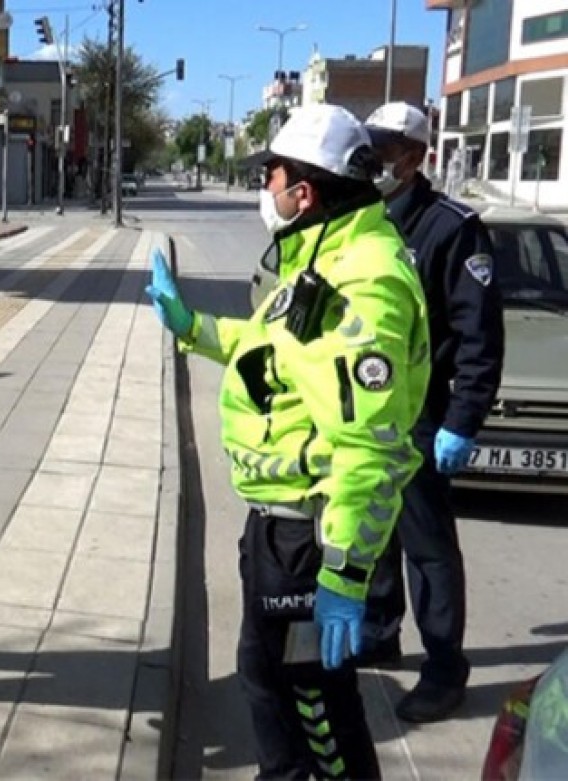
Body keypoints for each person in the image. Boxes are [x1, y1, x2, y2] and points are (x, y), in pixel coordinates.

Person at [147, 104, 431, 779]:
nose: (264, 187)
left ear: (303, 192)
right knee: (267, 681)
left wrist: (345, 571)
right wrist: (191, 327)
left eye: (269, 174)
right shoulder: (321, 255)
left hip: (311, 538)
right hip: (278, 533)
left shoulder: (363, 281)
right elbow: (269, 350)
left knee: (316, 705)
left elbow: (370, 444)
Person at [362, 101, 505, 723]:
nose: (375, 161)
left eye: (385, 151)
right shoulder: (366, 219)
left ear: (416, 157)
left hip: (423, 412)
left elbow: (479, 336)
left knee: (427, 547)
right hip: (370, 408)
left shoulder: (451, 228)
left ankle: (445, 669)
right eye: (369, 150)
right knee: (376, 529)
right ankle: (379, 630)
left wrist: (461, 421)